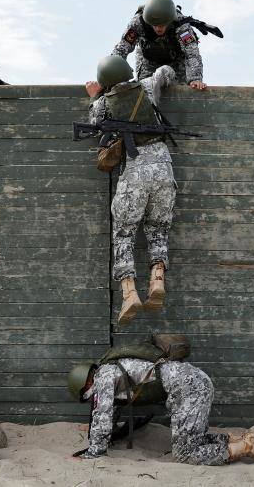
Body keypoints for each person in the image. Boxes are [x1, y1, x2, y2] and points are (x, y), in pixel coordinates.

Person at [86, 56, 177, 325]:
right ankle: (157, 279)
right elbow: (166, 70)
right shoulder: (148, 86)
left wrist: (94, 96)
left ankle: (129, 293)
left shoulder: (103, 103)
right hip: (163, 168)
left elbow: (94, 124)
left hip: (134, 173)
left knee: (124, 234)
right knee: (158, 229)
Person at [67, 357, 254, 467]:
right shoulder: (112, 370)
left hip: (189, 389)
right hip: (195, 382)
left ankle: (247, 447)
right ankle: (241, 438)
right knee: (195, 441)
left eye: (86, 394)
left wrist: (92, 453)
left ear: (86, 382)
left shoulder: (103, 377)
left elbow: (102, 417)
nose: (89, 398)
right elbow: (108, 414)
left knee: (184, 454)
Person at [111, 0, 213, 90]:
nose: (159, 29)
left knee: (181, 90)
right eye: (155, 25)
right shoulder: (138, 23)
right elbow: (121, 49)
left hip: (176, 62)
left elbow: (192, 54)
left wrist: (195, 79)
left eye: (162, 25)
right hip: (148, 61)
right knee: (145, 90)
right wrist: (112, 77)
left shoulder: (182, 26)